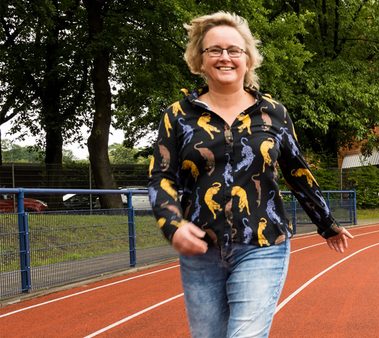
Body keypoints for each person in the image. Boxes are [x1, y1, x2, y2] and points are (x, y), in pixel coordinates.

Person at [148, 12, 353, 337]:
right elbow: (161, 178)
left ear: (248, 58)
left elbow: (298, 173)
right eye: (214, 50)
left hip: (263, 245)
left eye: (234, 49)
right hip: (201, 249)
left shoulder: (274, 114)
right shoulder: (178, 116)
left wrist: (326, 223)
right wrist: (172, 226)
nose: (225, 57)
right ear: (199, 59)